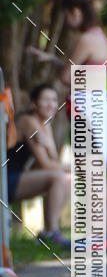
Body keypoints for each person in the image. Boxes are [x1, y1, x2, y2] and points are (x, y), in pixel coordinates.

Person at [28, 0, 107, 248]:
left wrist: (58, 66)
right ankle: (101, 236)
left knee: (91, 175)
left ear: (76, 12)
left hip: (86, 111)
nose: (67, 21)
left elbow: (67, 76)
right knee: (97, 175)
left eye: (67, 15)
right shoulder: (98, 36)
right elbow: (82, 71)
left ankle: (97, 237)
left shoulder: (85, 39)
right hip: (96, 108)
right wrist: (51, 59)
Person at [7, 83, 71, 249]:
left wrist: (49, 146)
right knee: (59, 178)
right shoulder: (28, 122)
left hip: (16, 177)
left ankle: (47, 232)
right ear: (33, 104)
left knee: (68, 178)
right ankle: (52, 232)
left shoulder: (45, 123)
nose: (51, 104)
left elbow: (53, 161)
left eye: (54, 100)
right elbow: (46, 165)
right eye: (45, 100)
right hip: (5, 179)